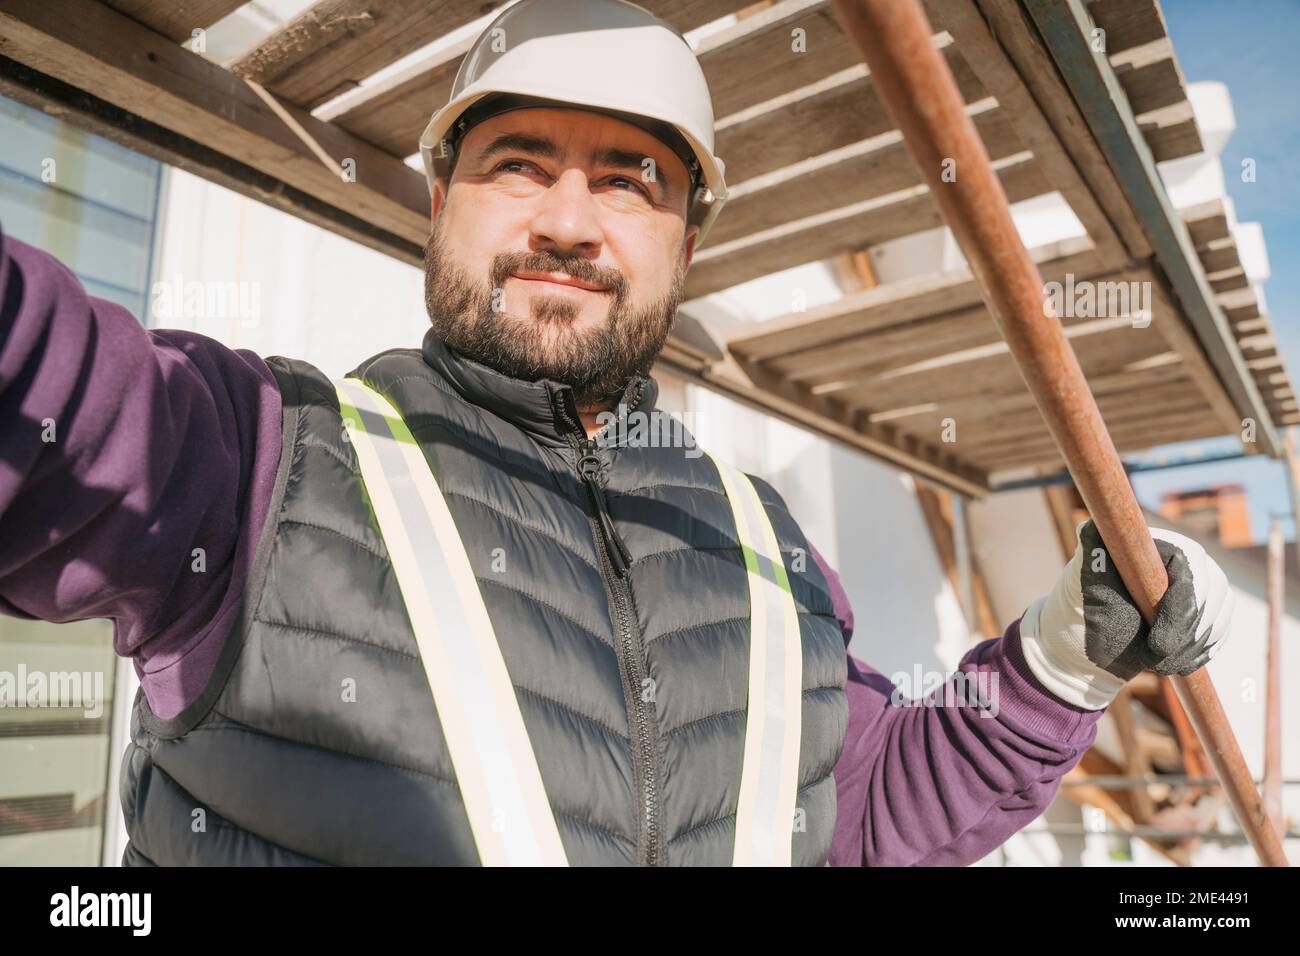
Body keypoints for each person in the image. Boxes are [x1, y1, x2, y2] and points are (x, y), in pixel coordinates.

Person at [0, 0, 1232, 866]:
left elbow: (861, 815)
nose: (569, 223)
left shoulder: (768, 549)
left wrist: (1066, 658)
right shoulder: (258, 460)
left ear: (686, 245)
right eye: (518, 165)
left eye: (631, 180)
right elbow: (47, 386)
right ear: (442, 206)